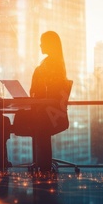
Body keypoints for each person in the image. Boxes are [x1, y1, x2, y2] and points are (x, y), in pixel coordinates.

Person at [29, 31, 69, 172]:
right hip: (49, 111)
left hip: (49, 113)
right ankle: (43, 164)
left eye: (43, 41)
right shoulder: (55, 64)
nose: (40, 45)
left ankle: (44, 166)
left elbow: (46, 92)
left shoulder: (51, 65)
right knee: (33, 120)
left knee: (36, 123)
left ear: (50, 44)